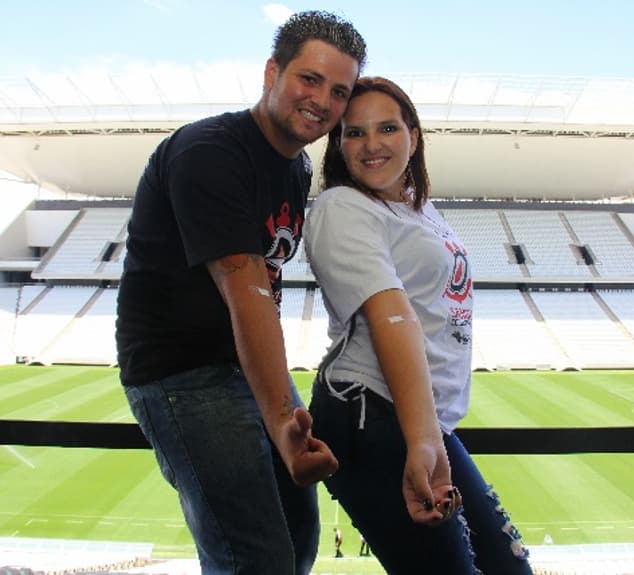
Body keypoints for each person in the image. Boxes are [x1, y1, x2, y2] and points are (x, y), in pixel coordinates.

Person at [115, 11, 366, 575]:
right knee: (254, 561)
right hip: (183, 373)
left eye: (339, 91)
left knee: (300, 539)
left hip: (238, 369)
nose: (322, 100)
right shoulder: (209, 150)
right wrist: (282, 416)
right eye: (309, 78)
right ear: (272, 71)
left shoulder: (297, 168)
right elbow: (247, 290)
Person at [303, 77, 533, 574]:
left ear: (413, 134)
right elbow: (393, 315)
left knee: (510, 566)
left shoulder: (418, 207)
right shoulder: (342, 206)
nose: (371, 144)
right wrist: (423, 439)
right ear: (338, 146)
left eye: (387, 127)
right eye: (353, 132)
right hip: (374, 412)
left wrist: (430, 432)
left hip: (423, 419)